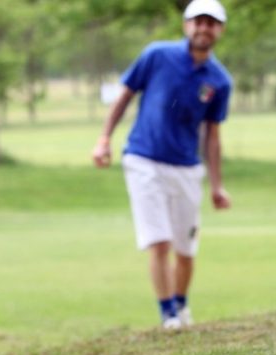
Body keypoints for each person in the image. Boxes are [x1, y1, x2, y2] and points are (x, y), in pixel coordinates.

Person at [91, 0, 233, 329]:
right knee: (159, 241)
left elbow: (212, 136)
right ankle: (167, 312)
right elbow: (124, 96)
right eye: (198, 21)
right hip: (144, 158)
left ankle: (181, 305)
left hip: (185, 167)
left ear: (220, 30)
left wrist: (217, 185)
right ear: (186, 25)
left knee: (185, 249)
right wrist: (103, 139)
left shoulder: (219, 81)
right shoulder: (157, 55)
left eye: (211, 23)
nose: (203, 28)